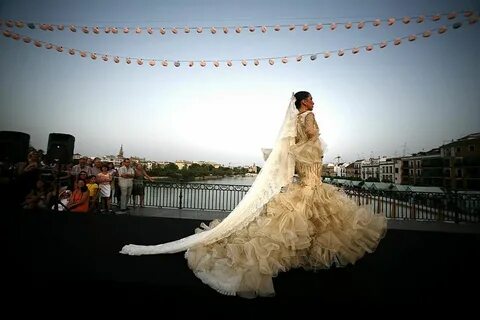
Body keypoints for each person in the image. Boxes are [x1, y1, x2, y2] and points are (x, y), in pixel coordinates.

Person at [120, 91, 387, 298]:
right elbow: (314, 135)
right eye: (311, 99)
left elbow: (297, 146)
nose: (314, 102)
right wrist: (314, 137)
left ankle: (305, 257)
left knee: (304, 221)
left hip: (307, 175)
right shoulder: (307, 119)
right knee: (312, 220)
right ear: (303, 102)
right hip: (311, 179)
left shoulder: (293, 123)